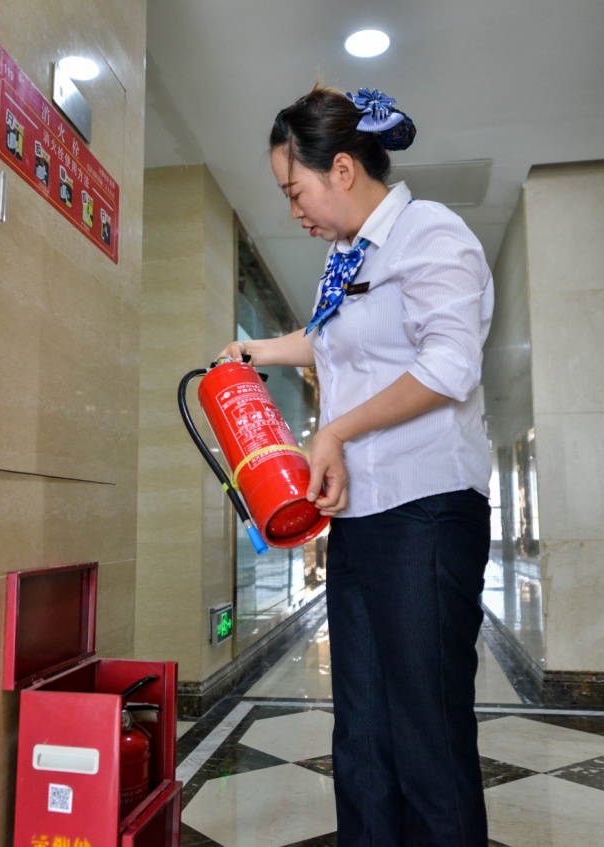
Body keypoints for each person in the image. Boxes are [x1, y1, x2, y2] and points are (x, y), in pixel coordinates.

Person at [220, 86, 495, 846]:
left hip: (426, 511)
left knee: (426, 732)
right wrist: (257, 350)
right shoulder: (345, 259)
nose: (293, 210)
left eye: (294, 190)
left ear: (341, 169)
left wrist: (334, 431)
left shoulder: (429, 233)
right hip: (362, 518)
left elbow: (449, 364)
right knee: (363, 733)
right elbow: (332, 339)